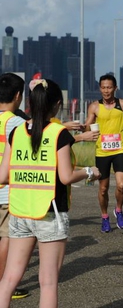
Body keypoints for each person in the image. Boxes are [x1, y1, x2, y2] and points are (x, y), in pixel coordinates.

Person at [0, 78, 100, 308]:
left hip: (20, 212)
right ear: (56, 105)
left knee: (8, 279)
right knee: (48, 282)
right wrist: (89, 172)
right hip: (49, 213)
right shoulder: (58, 133)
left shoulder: (16, 132)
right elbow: (66, 176)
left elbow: (3, 176)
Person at [84, 74, 123, 233]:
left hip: (119, 150)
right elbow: (87, 126)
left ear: (115, 88)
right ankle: (104, 217)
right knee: (103, 189)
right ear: (99, 88)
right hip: (102, 152)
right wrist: (85, 127)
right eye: (103, 87)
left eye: (109, 87)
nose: (106, 91)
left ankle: (118, 210)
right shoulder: (94, 107)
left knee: (121, 185)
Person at [0, 73, 29, 300]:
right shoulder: (17, 123)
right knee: (7, 239)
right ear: (18, 95)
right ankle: (3, 284)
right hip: (7, 191)